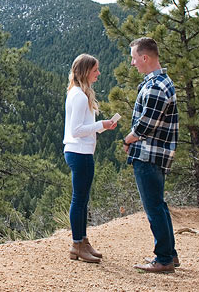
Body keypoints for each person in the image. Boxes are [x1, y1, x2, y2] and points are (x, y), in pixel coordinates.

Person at [124, 37, 180, 273]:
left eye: (134, 58)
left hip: (149, 155)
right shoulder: (161, 82)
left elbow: (147, 124)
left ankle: (164, 258)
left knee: (153, 207)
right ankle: (170, 254)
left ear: (145, 57)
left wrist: (129, 138)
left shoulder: (156, 86)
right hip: (154, 153)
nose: (133, 63)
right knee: (159, 205)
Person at [63, 54, 117, 263]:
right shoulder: (78, 96)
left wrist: (102, 127)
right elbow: (76, 130)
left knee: (83, 199)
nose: (98, 74)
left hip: (80, 151)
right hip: (79, 152)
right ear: (86, 72)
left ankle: (82, 241)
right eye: (95, 70)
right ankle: (77, 244)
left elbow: (81, 128)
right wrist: (100, 125)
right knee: (79, 200)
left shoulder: (77, 93)